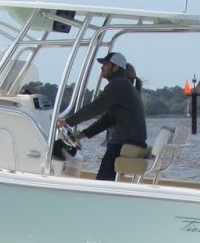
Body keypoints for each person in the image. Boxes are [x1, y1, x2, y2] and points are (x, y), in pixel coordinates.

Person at [57, 51, 147, 181]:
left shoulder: (118, 84)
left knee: (103, 179)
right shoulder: (124, 85)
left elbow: (95, 108)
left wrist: (66, 122)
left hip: (123, 142)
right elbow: (108, 119)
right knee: (105, 178)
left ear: (116, 67)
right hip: (130, 140)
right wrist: (81, 135)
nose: (102, 67)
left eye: (106, 64)